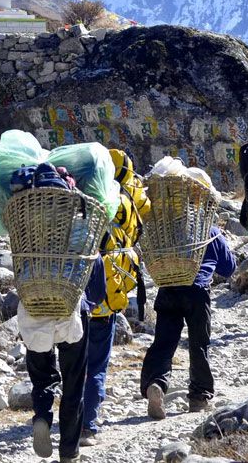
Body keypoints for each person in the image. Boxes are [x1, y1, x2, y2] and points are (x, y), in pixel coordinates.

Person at [81, 150, 150, 446]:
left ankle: (67, 418)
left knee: (73, 363)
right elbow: (135, 234)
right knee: (97, 364)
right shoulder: (123, 201)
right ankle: (89, 426)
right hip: (106, 298)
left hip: (71, 298)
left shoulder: (76, 197)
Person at [140, 225, 236, 417]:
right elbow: (228, 268)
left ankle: (156, 383)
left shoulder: (166, 229)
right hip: (197, 291)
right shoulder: (211, 231)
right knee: (198, 343)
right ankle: (198, 398)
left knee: (163, 343)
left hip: (168, 288)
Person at [26, 254, 106, 463]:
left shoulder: (29, 246)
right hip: (73, 316)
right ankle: (69, 452)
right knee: (74, 383)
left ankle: (42, 415)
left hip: (34, 312)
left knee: (42, 375)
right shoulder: (86, 245)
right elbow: (98, 293)